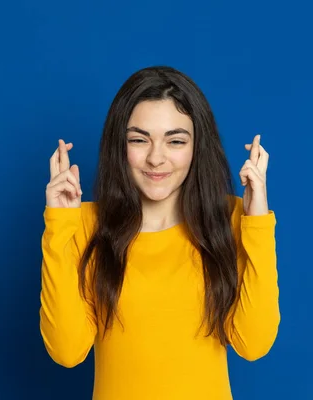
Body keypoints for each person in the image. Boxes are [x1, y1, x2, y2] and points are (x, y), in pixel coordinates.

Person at [39, 66, 279, 400]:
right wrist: (60, 225)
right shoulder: (85, 224)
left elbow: (253, 343)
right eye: (139, 140)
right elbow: (66, 350)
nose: (156, 158)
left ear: (197, 146)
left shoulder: (230, 219)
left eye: (175, 141)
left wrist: (257, 222)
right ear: (119, 145)